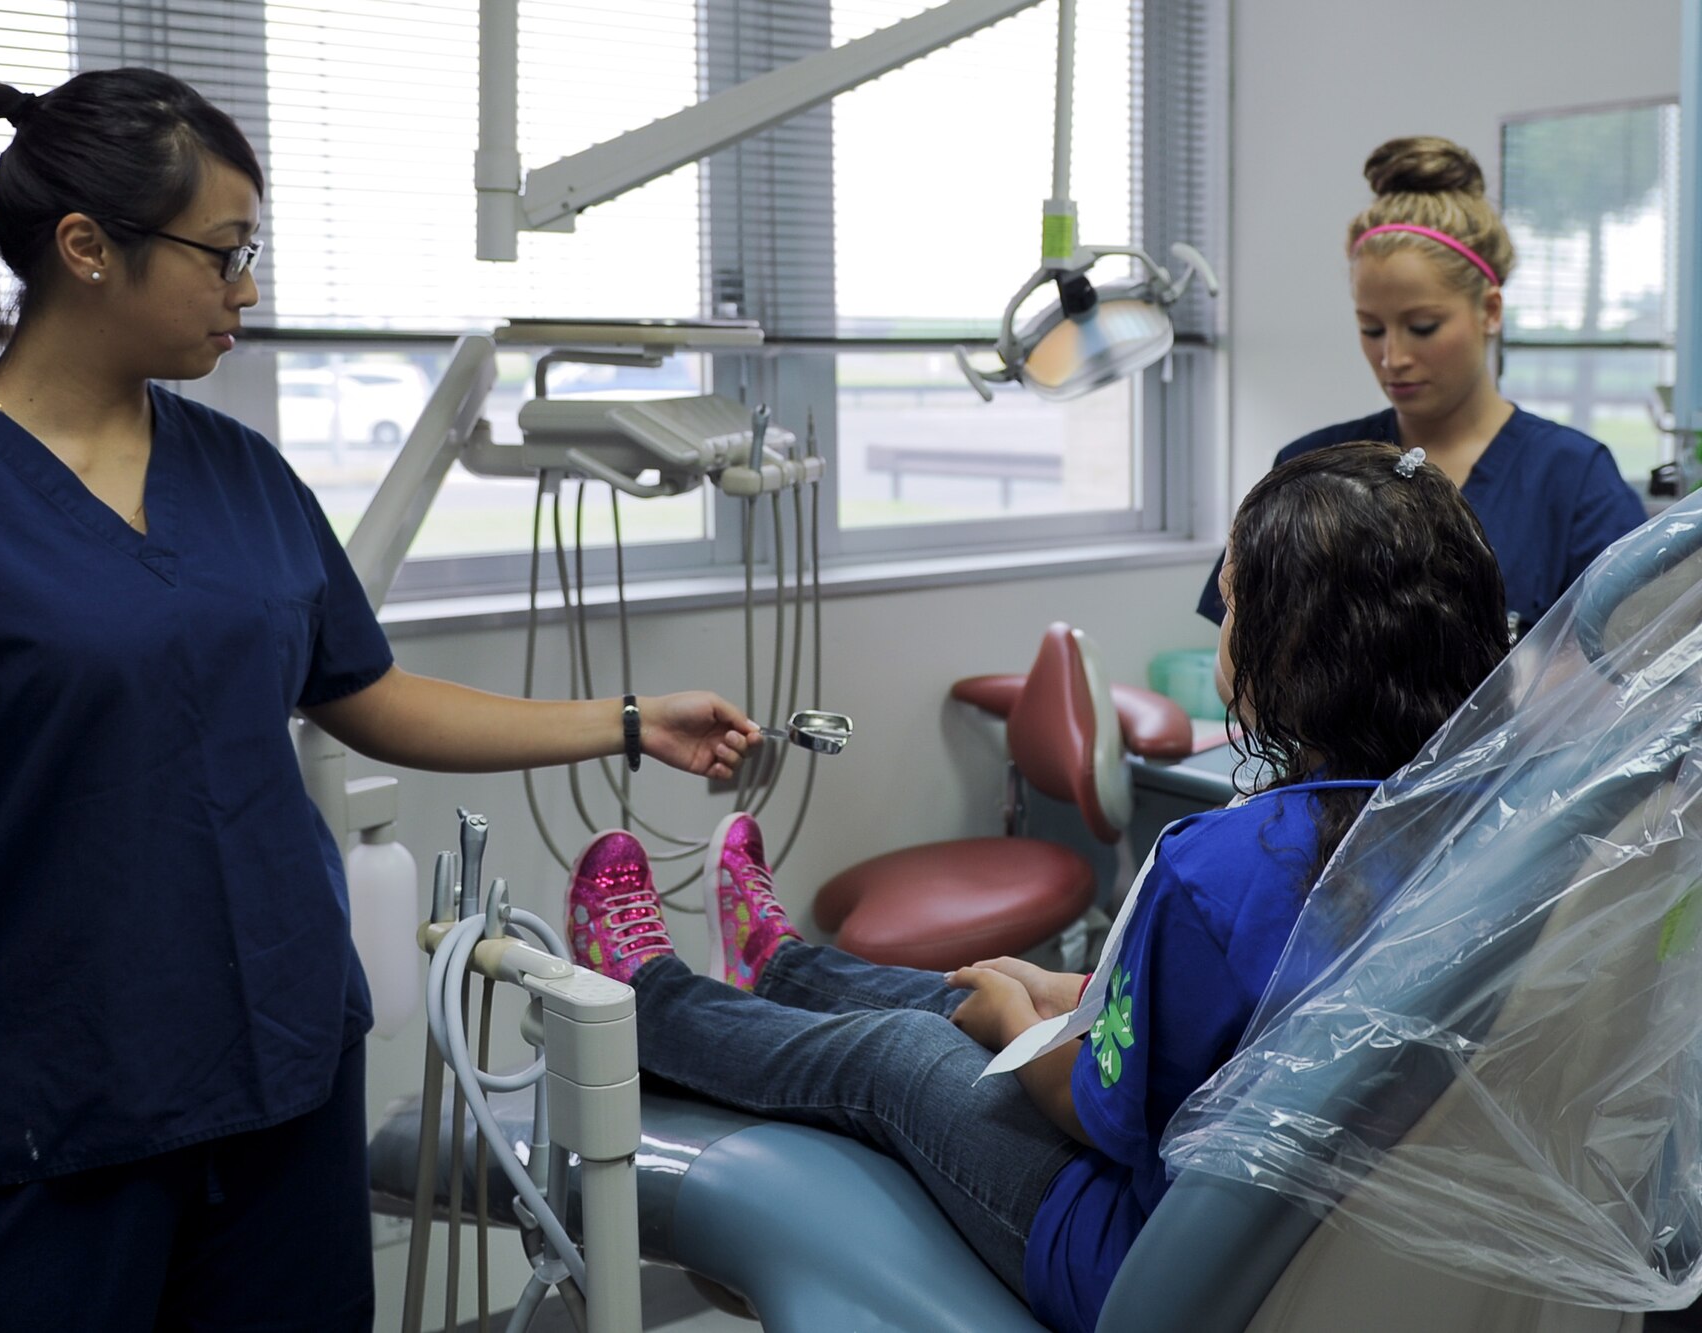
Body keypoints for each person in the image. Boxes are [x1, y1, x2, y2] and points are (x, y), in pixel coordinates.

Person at [0, 70, 760, 1331]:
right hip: (30, 1137)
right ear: (88, 250)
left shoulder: (243, 477)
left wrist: (632, 721)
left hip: (279, 1103)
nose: (245, 291)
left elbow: (366, 695)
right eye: (223, 254)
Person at [567, 440, 1510, 1333]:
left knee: (900, 1049)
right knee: (963, 986)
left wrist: (1022, 1024)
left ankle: (645, 999)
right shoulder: (1488, 840)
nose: (1221, 625)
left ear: (1290, 647)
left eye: (1230, 603)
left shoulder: (1220, 871)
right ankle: (784, 970)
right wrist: (1072, 997)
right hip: (1302, 1245)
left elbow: (1096, 1108)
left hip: (1141, 1266)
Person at [1198, 135, 1644, 638]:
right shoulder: (1311, 470)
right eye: (1371, 329)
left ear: (1490, 311)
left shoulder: (1572, 481)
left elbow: (1628, 673)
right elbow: (1236, 662)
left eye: (1423, 326)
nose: (1393, 357)